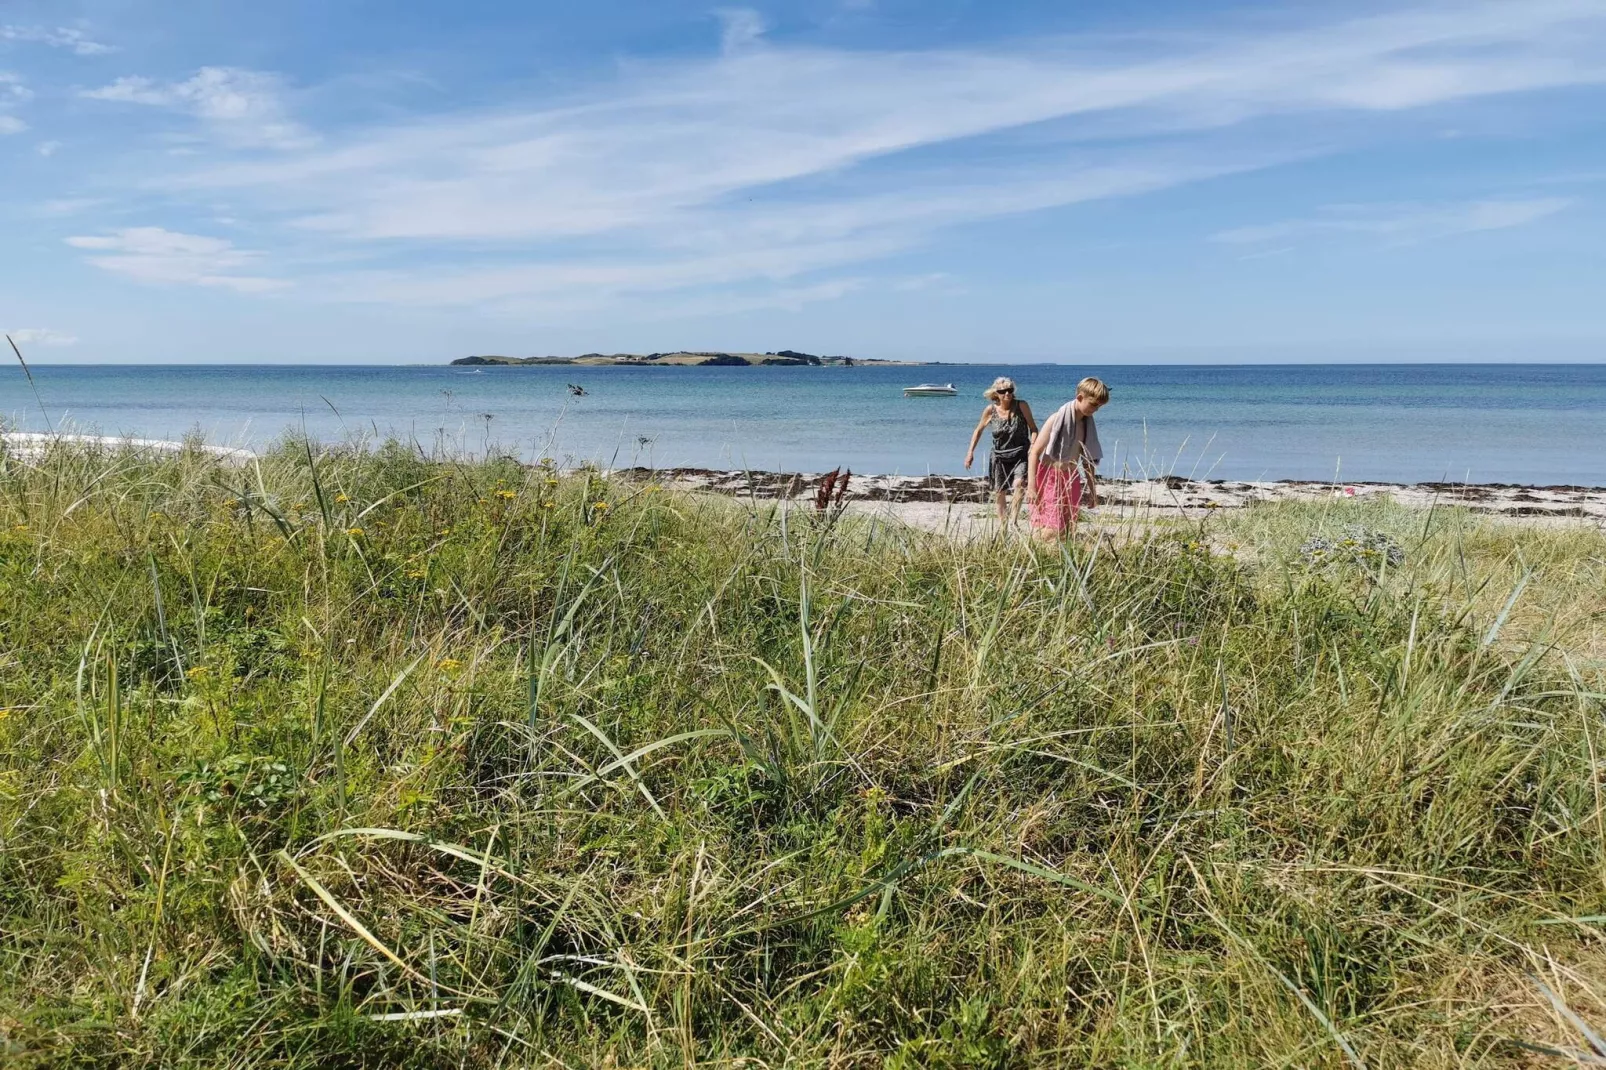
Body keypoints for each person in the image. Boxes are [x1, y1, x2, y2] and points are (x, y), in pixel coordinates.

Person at [1026, 377, 1109, 540]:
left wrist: (1092, 491)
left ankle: (1054, 560)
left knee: (1068, 527)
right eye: (1093, 404)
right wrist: (1031, 486)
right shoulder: (1056, 419)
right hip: (1050, 477)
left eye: (1100, 406)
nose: (1096, 409)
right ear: (1080, 397)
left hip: (1071, 478)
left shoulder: (1086, 425)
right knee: (1052, 528)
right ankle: (1029, 548)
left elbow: (1088, 460)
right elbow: (1034, 452)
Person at [964, 377, 1038, 528]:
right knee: (1000, 492)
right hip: (999, 456)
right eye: (1003, 391)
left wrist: (1033, 446)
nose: (1007, 394)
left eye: (1010, 390)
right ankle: (1003, 525)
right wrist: (970, 453)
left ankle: (1014, 521)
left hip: (1020, 454)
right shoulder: (990, 410)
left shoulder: (1021, 406)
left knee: (1019, 484)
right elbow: (978, 431)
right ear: (996, 393)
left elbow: (1034, 429)